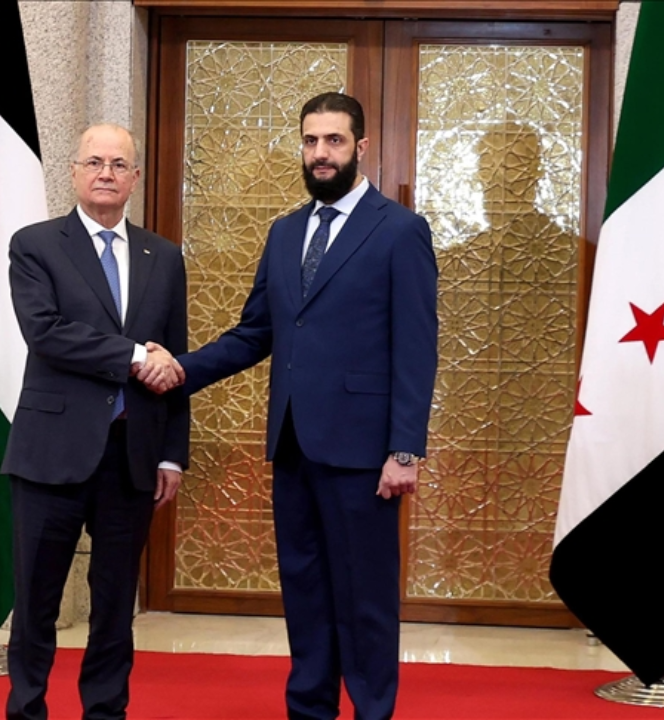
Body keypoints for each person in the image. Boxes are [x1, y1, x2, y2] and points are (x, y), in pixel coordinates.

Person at [175, 92, 439, 720]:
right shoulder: (285, 231)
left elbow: (416, 348)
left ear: (360, 147)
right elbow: (255, 333)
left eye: (334, 141)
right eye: (311, 140)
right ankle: (310, 709)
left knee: (366, 597)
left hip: (364, 453)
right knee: (305, 589)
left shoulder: (400, 230)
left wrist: (405, 450)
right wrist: (181, 370)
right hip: (293, 444)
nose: (321, 153)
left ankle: (372, 710)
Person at [0, 123, 188, 720]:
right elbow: (46, 333)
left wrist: (171, 453)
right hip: (50, 453)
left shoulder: (164, 256)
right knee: (36, 601)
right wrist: (132, 354)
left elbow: (175, 360)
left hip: (131, 457)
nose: (106, 173)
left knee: (114, 606)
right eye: (95, 162)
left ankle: (106, 711)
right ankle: (27, 709)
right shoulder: (36, 245)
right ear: (75, 172)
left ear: (135, 178)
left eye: (119, 164)